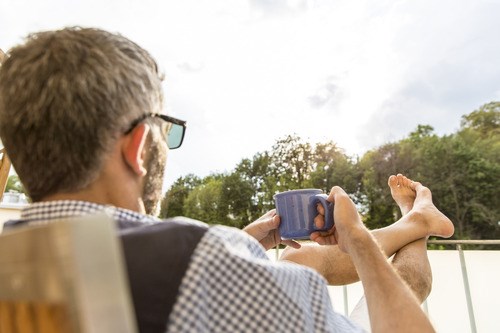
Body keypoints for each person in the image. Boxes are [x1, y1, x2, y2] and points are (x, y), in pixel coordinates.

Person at [0, 27, 453, 332]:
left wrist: (242, 243)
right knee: (387, 282)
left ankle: (415, 220)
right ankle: (416, 225)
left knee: (305, 263)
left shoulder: (17, 265)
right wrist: (354, 238)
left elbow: (103, 289)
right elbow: (187, 277)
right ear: (137, 146)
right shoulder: (196, 260)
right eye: (164, 128)